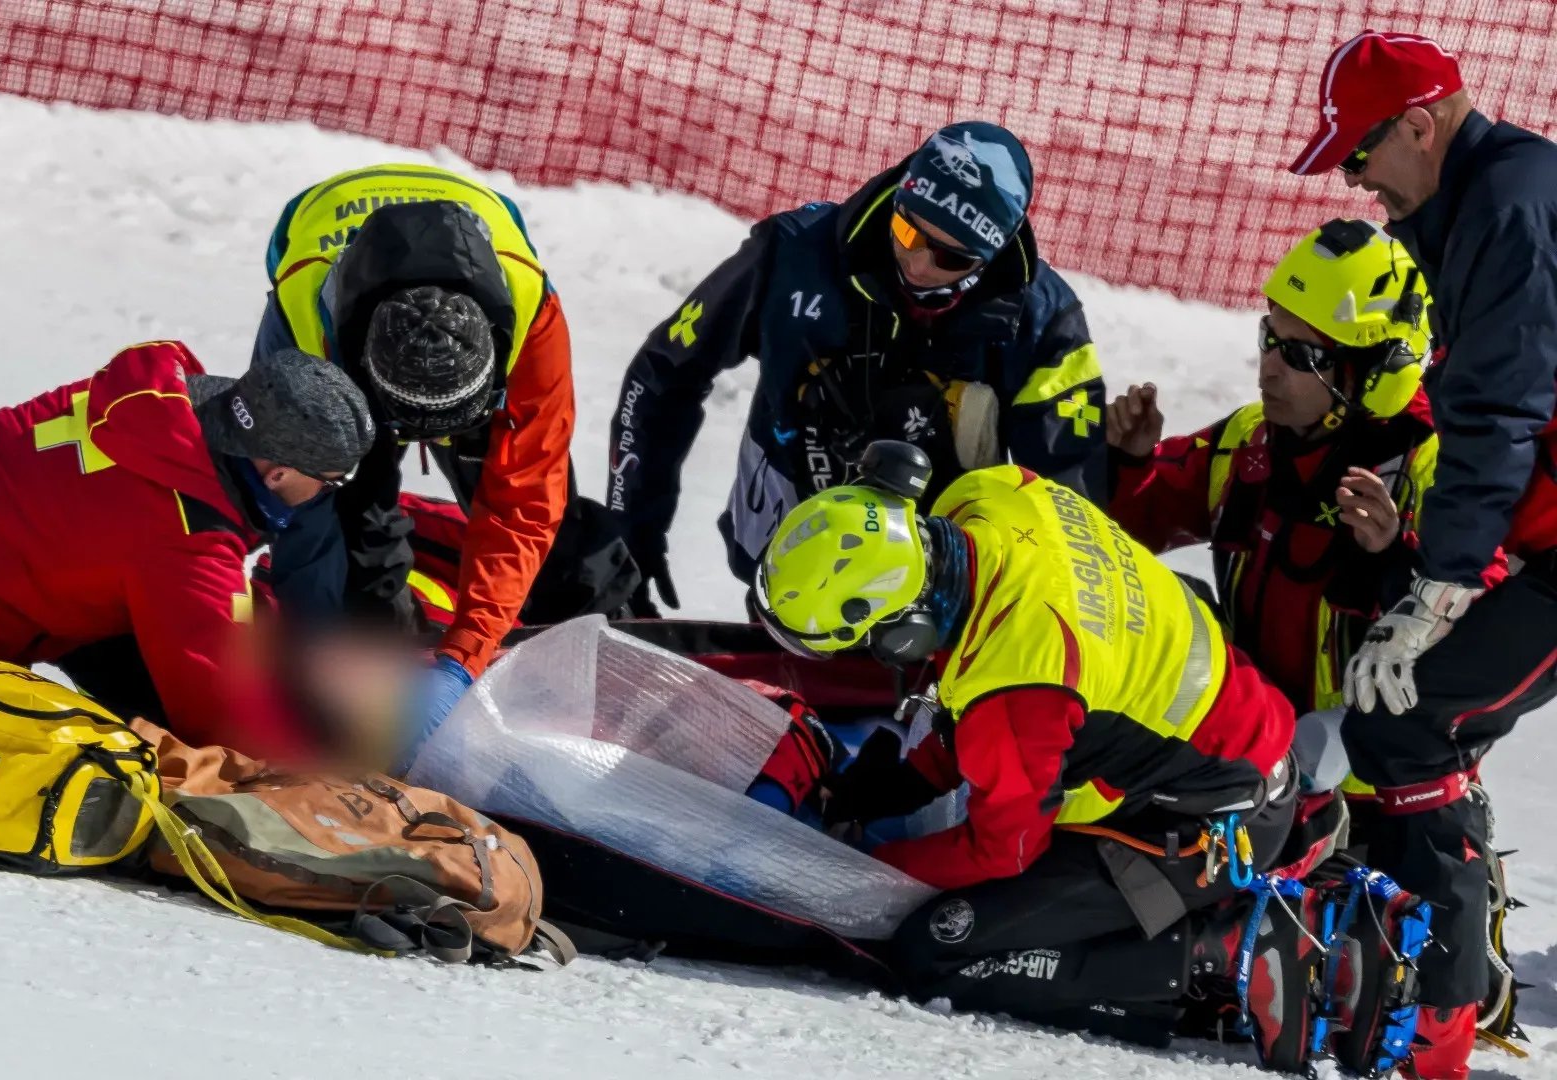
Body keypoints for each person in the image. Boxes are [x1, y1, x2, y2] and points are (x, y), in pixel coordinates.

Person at [750, 457, 1320, 1063]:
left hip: (1217, 824)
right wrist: (895, 787)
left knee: (934, 949)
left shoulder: (1020, 689)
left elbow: (1004, 850)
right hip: (1235, 730)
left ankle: (1221, 947)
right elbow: (979, 695)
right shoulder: (987, 493)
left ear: (902, 635)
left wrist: (871, 869)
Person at [1287, 32, 1557, 1077]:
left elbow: (1498, 410)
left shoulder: (1507, 207)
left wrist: (1443, 583)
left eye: (1359, 156)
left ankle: (1437, 1040)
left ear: (1417, 125)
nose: (1356, 183)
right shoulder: (1487, 199)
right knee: (1418, 726)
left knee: (1411, 726)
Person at [0, 341, 374, 762]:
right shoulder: (184, 538)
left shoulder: (146, 402)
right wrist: (323, 778)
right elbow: (226, 718)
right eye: (328, 480)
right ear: (273, 472)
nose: (325, 494)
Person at [605, 121, 1107, 613]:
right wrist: (632, 529)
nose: (918, 264)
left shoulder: (1047, 324)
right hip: (787, 558)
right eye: (908, 230)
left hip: (945, 594)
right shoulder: (792, 252)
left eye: (950, 259)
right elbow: (664, 371)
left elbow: (1070, 503)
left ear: (991, 256)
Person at [251, 162, 593, 759]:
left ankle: (583, 643)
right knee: (352, 510)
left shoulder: (533, 318)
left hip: (474, 245)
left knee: (558, 537)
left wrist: (464, 658)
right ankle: (380, 653)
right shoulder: (304, 321)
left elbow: (525, 504)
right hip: (318, 233)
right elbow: (297, 501)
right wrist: (319, 642)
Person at [1106, 218, 1454, 719]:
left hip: (1369, 773)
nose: (1267, 367)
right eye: (1270, 338)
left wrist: (1389, 559)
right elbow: (1134, 532)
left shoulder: (1432, 469)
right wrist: (1131, 461)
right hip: (1249, 738)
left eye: (1300, 355)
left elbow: (1469, 641)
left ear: (1373, 372)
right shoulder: (1248, 438)